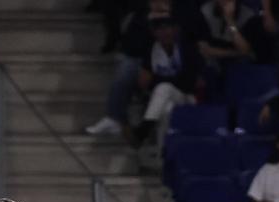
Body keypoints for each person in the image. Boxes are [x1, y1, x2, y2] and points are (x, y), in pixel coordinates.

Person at [86, 16, 201, 146]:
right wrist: (167, 80)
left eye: (168, 28)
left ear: (175, 30)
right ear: (154, 33)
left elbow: (190, 82)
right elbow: (145, 83)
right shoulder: (151, 50)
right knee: (166, 110)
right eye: (160, 29)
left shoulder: (187, 49)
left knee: (164, 87)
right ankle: (162, 154)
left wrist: (161, 79)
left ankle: (142, 132)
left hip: (185, 96)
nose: (165, 33)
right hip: (161, 99)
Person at [196, 0, 266, 72]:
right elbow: (204, 49)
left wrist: (229, 20)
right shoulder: (206, 10)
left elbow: (245, 50)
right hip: (210, 65)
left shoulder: (248, 15)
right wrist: (235, 53)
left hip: (238, 66)